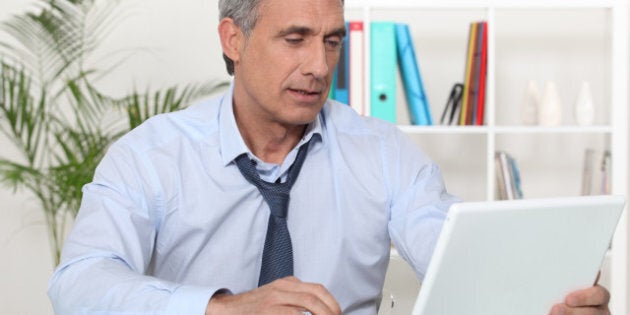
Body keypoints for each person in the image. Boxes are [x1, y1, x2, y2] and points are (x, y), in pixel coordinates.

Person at [47, 0, 612, 314]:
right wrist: (223, 311)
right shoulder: (150, 156)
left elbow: (457, 256)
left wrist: (548, 298)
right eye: (295, 39)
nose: (319, 65)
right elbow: (78, 284)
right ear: (232, 39)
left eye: (333, 40)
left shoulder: (383, 153)